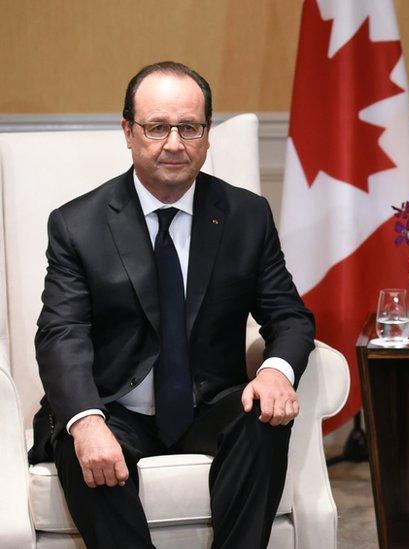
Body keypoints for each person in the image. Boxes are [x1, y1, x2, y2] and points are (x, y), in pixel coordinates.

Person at [27, 61, 315, 549]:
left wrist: (276, 372)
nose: (175, 143)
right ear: (128, 131)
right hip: (115, 405)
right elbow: (62, 333)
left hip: (211, 404)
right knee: (85, 446)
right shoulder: (78, 224)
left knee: (264, 419)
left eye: (190, 127)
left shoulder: (246, 215)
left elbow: (289, 316)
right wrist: (86, 419)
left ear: (207, 135)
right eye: (157, 127)